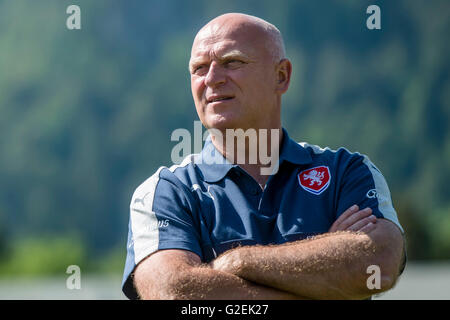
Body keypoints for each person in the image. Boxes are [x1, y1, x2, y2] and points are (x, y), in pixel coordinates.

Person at [122, 13, 406, 300]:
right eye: (199, 68)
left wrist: (235, 263)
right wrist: (325, 280)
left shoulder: (347, 172)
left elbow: (378, 264)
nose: (212, 79)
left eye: (232, 62)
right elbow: (174, 294)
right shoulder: (165, 192)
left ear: (281, 76)